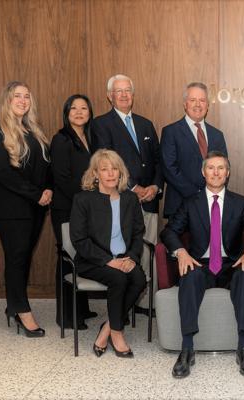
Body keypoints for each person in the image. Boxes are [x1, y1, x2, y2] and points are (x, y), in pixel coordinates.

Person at [160, 151, 244, 378]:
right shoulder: (191, 203)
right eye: (211, 168)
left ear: (228, 173)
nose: (216, 172)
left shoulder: (240, 202)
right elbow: (169, 231)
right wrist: (180, 251)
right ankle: (187, 348)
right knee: (189, 276)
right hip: (200, 263)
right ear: (203, 172)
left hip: (231, 264)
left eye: (221, 168)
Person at [0, 81, 52, 337]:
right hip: (10, 207)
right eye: (17, 96)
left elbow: (45, 166)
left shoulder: (33, 130)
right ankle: (22, 311)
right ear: (7, 100)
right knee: (17, 257)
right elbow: (4, 173)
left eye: (26, 96)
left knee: (23, 257)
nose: (23, 101)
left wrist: (49, 189)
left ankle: (14, 304)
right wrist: (37, 194)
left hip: (35, 206)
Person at [92, 74, 162, 315]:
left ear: (133, 95)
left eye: (127, 91)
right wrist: (133, 187)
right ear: (109, 96)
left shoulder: (146, 124)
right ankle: (122, 302)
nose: (123, 95)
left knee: (148, 248)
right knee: (124, 249)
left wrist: (155, 187)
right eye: (118, 91)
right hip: (121, 199)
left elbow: (158, 161)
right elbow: (106, 161)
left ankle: (145, 303)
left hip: (149, 199)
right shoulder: (101, 124)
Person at [69, 149, 147, 358]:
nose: (111, 173)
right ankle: (117, 333)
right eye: (104, 169)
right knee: (118, 279)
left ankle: (107, 328)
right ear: (95, 173)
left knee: (139, 279)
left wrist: (132, 257)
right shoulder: (83, 199)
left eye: (115, 169)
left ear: (121, 172)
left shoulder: (130, 198)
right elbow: (79, 240)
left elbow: (138, 232)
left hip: (124, 257)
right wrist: (107, 261)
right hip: (92, 259)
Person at [50, 94, 96, 330]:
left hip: (83, 208)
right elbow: (61, 178)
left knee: (81, 255)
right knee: (67, 257)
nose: (79, 112)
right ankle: (67, 317)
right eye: (74, 108)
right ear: (66, 113)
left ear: (90, 113)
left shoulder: (90, 138)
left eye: (84, 108)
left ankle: (82, 309)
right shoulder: (61, 139)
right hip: (66, 208)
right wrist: (84, 203)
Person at [160, 82, 228, 219]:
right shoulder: (171, 132)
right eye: (192, 100)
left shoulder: (217, 135)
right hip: (180, 205)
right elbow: (169, 168)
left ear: (207, 105)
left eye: (202, 100)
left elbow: (223, 168)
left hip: (212, 205)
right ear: (185, 104)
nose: (198, 104)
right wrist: (198, 195)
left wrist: (210, 195)